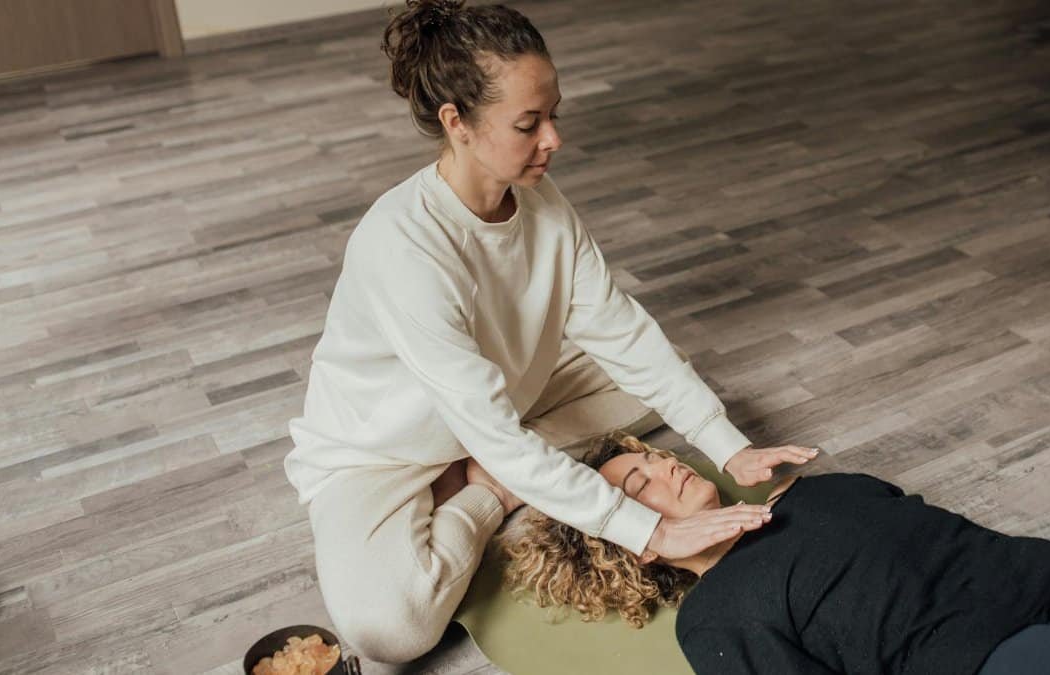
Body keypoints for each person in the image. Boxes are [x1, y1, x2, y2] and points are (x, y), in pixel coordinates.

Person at [283, 0, 814, 663]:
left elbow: (620, 331)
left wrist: (726, 444)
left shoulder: (543, 207)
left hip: (502, 396)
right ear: (458, 123)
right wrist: (648, 530)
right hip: (382, 450)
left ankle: (503, 466)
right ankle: (487, 488)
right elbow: (495, 428)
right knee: (387, 627)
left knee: (661, 366)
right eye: (529, 124)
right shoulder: (403, 246)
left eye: (554, 115)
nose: (553, 139)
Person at [503, 432, 1050, 675]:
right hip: (994, 653)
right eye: (637, 484)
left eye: (652, 459)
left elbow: (964, 539)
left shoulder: (819, 489)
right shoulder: (714, 616)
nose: (666, 470)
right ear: (628, 547)